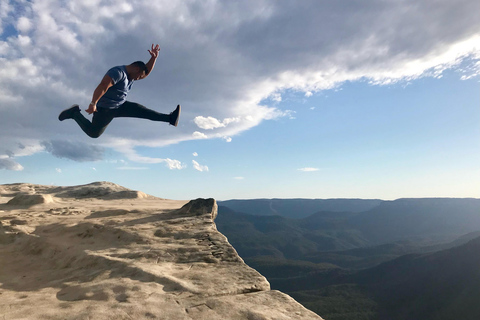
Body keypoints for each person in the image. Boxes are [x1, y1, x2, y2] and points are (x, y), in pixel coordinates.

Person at [58, 44, 180, 138]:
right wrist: (93, 103)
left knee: (144, 112)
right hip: (105, 110)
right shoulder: (118, 73)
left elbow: (145, 72)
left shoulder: (132, 74)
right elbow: (103, 86)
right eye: (138, 76)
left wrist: (153, 58)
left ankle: (170, 118)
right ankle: (74, 113)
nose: (138, 79)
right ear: (136, 68)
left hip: (120, 106)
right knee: (94, 133)